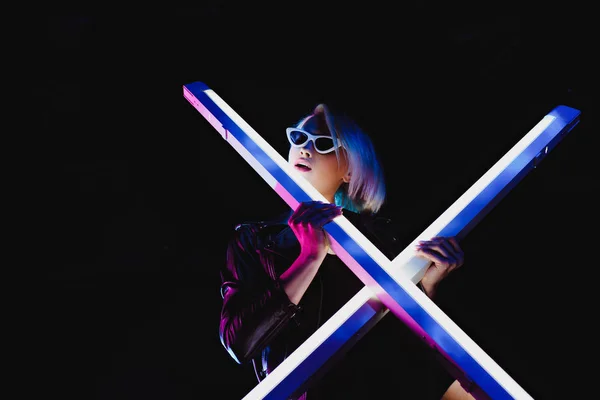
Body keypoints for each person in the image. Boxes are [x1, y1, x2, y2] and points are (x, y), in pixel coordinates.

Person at [218, 103, 476, 399]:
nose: (304, 149)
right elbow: (239, 342)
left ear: (350, 171)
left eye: (324, 144)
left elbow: (405, 350)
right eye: (299, 138)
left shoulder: (382, 244)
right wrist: (309, 258)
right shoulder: (255, 239)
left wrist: (427, 288)